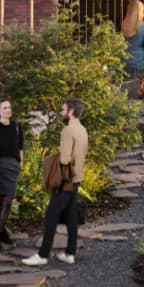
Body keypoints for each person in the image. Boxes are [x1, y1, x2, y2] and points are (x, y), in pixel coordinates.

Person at [39, 102, 89, 262]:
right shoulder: (82, 130)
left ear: (71, 111)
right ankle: (70, 253)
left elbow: (65, 158)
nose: (61, 112)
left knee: (51, 215)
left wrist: (53, 159)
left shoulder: (68, 131)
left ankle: (42, 255)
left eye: (63, 109)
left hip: (65, 180)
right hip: (77, 178)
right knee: (71, 216)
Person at [0, 98, 27, 250]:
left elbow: (20, 146)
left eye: (9, 107)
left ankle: (0, 234)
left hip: (12, 166)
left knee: (8, 198)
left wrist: (20, 162)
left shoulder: (16, 127)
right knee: (1, 198)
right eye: (4, 108)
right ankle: (1, 235)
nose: (8, 110)